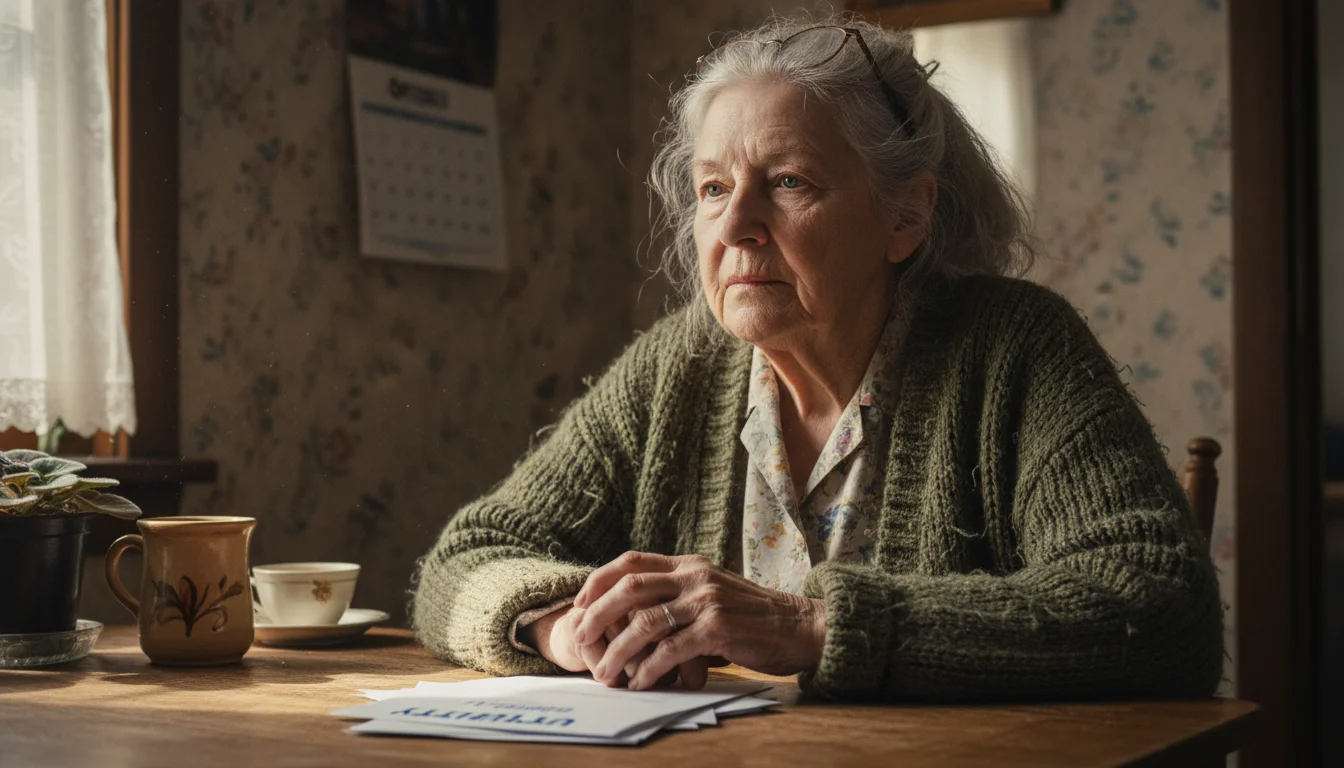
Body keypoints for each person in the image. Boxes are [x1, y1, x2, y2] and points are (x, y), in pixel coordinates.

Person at [410, 12, 1224, 701]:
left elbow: (1159, 609)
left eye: (789, 182)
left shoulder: (1016, 350)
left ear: (904, 216)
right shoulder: (675, 368)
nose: (733, 229)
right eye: (714, 188)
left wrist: (809, 626)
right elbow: (466, 558)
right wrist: (564, 629)